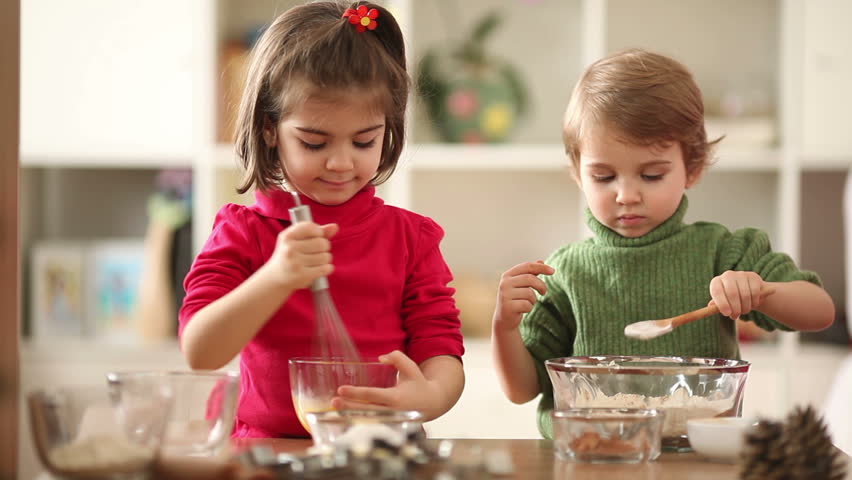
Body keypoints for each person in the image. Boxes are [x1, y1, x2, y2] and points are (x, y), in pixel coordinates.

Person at [491, 48, 836, 439]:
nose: (626, 195)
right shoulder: (565, 273)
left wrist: (762, 291)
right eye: (604, 177)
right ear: (576, 172)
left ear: (693, 167)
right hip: (593, 460)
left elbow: (819, 311)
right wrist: (504, 326)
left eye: (651, 175)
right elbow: (521, 390)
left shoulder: (723, 252)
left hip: (696, 457)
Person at [179, 1, 465, 438]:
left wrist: (429, 397)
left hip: (379, 445)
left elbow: (440, 350)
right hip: (266, 451)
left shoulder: (411, 238)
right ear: (270, 129)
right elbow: (200, 351)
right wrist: (276, 277)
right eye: (314, 143)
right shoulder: (244, 233)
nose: (340, 162)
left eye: (364, 141)